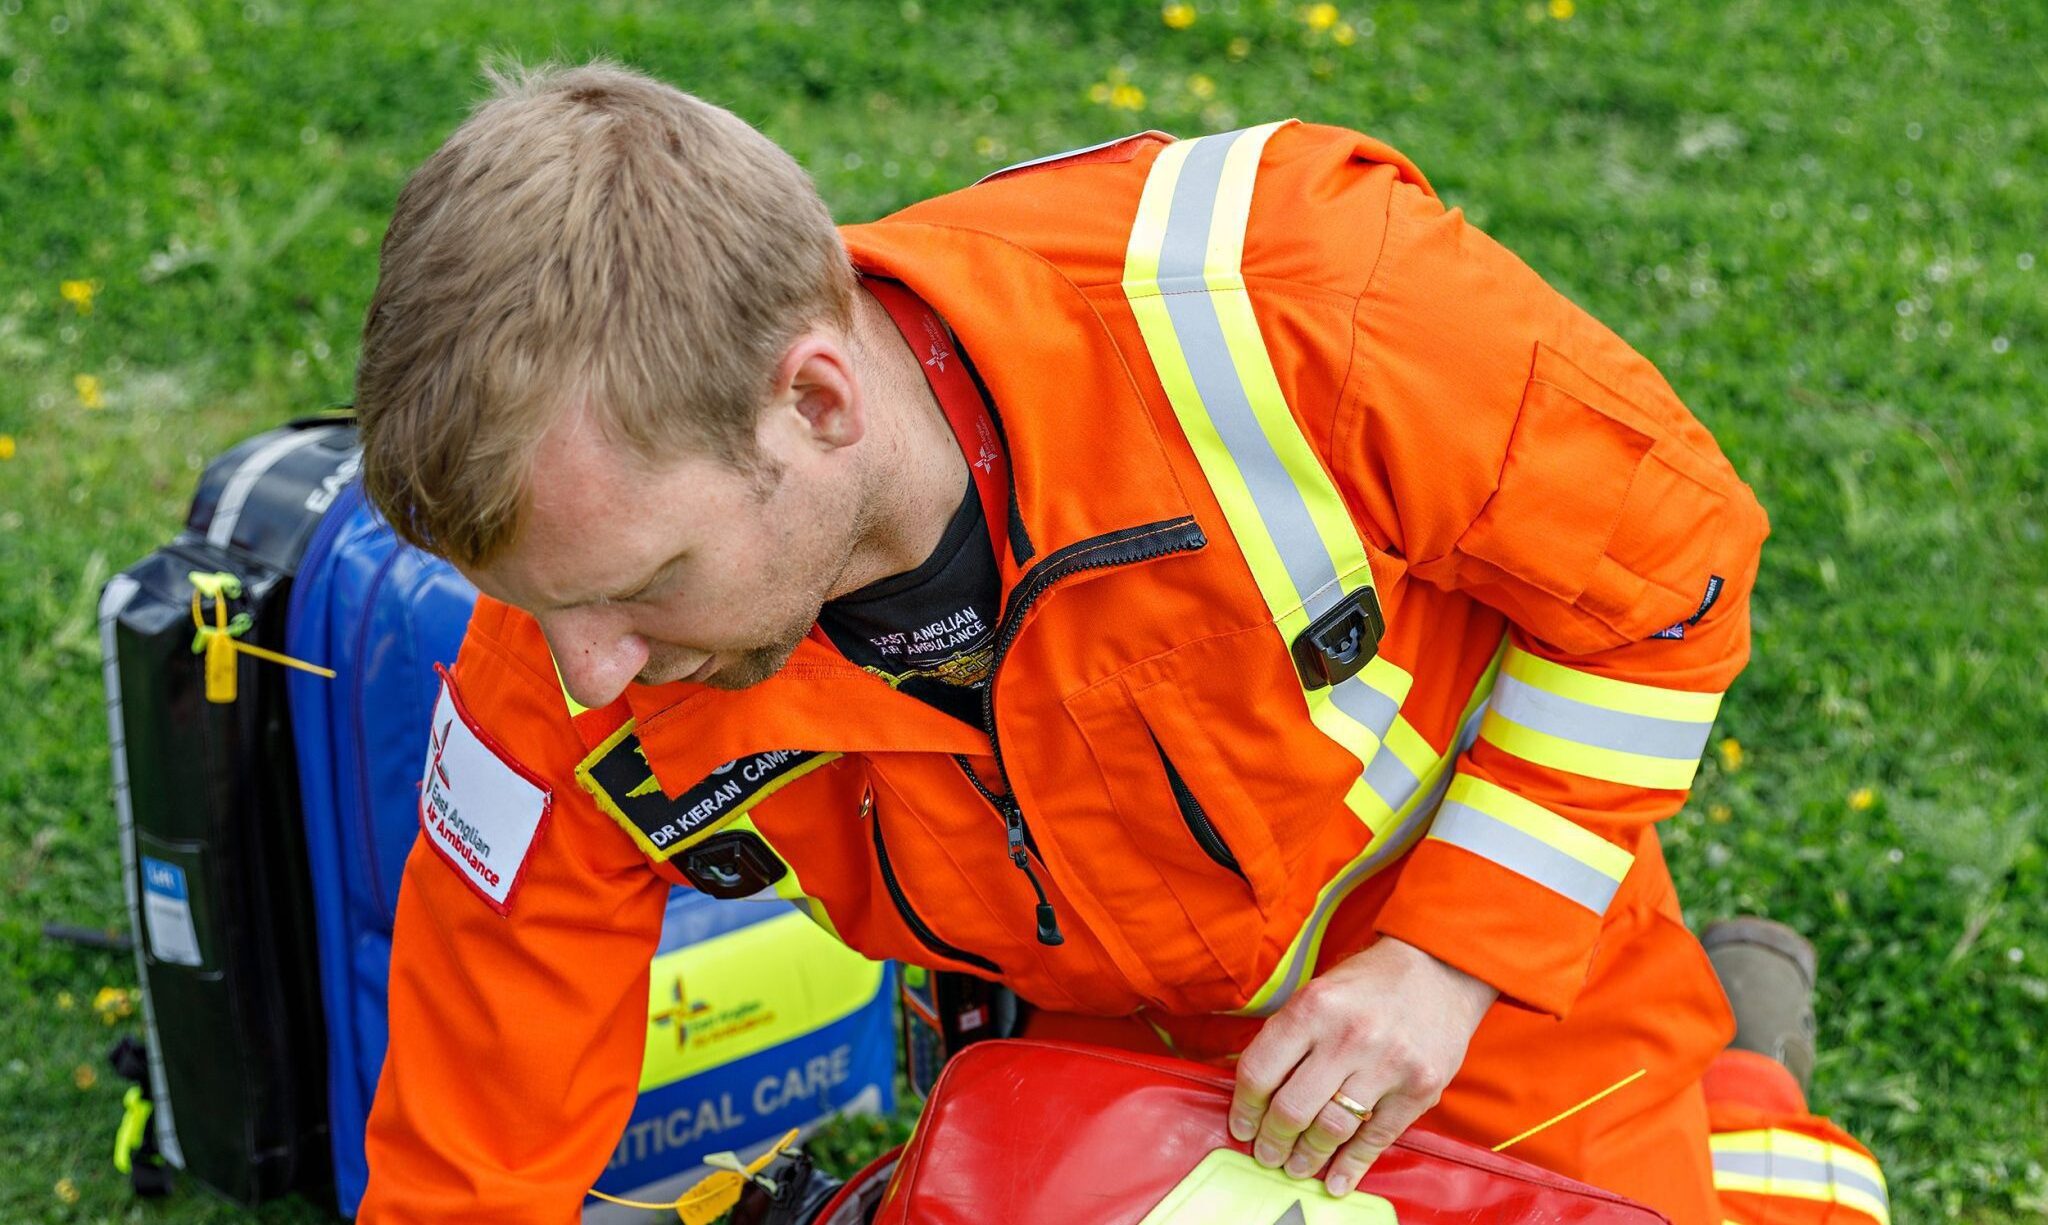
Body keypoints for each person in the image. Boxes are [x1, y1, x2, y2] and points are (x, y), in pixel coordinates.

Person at [349, 59, 1882, 1224]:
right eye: (548, 603)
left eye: (647, 580)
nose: (591, 669)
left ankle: (1739, 1088)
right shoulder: (556, 656)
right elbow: (471, 1141)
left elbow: (1672, 568)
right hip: (1066, 1066)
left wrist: (1447, 961)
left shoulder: (1293, 295)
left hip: (1481, 1001)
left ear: (815, 402)